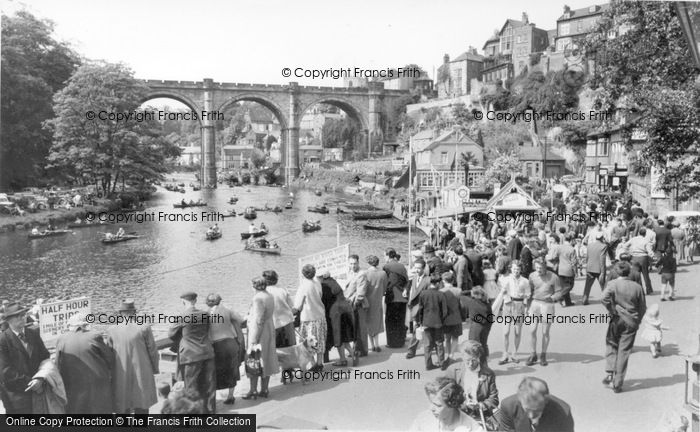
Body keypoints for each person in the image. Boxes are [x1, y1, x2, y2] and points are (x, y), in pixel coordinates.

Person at [106, 300, 159, 414]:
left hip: (121, 373)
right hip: (142, 371)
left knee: (122, 403)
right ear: (134, 312)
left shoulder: (111, 330)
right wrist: (155, 369)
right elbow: (153, 351)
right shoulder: (144, 327)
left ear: (120, 313)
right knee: (142, 403)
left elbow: (108, 355)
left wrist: (110, 374)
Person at [56, 313, 114, 413]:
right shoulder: (94, 336)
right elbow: (109, 358)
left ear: (70, 326)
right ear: (84, 325)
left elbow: (58, 364)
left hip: (72, 383)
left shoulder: (61, 339)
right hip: (96, 383)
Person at [601, 261, 646, 393]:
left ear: (616, 271)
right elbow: (642, 307)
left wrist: (612, 309)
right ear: (629, 271)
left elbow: (603, 298)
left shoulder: (612, 284)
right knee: (624, 351)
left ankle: (610, 370)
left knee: (611, 343)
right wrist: (637, 321)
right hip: (631, 321)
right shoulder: (637, 287)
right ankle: (618, 383)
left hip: (616, 319)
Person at [168, 292, 216, 413]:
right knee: (209, 384)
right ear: (195, 301)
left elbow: (171, 334)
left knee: (191, 385)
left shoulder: (182, 316)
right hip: (207, 352)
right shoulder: (205, 314)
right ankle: (210, 412)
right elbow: (207, 329)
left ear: (183, 302)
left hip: (191, 355)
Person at [0, 303, 50, 413]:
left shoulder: (33, 333)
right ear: (8, 320)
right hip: (16, 396)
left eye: (23, 314)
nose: (22, 318)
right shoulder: (3, 340)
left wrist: (40, 379)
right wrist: (32, 383)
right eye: (17, 316)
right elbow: (6, 372)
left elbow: (45, 356)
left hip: (39, 390)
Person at [445, 340, 499, 425]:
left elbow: (494, 399)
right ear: (462, 356)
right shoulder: (453, 371)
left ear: (479, 357)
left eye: (474, 360)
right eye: (467, 360)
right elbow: (446, 396)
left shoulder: (488, 374)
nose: (470, 364)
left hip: (480, 416)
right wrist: (462, 405)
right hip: (458, 415)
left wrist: (481, 406)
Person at [243, 277, 280, 400]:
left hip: (259, 332)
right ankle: (264, 389)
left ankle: (253, 390)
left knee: (254, 360)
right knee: (267, 359)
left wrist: (253, 339)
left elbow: (258, 320)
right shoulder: (269, 295)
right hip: (269, 328)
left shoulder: (258, 298)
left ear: (255, 286)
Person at [206, 293, 244, 405]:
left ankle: (212, 400)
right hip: (230, 342)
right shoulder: (228, 310)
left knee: (214, 372)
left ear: (208, 303)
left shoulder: (206, 313)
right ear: (220, 301)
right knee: (232, 370)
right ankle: (230, 396)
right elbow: (241, 320)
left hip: (216, 345)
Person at [496, 377, 574, 432]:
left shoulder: (563, 412)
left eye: (536, 410)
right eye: (527, 409)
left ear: (546, 400)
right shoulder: (508, 406)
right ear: (520, 400)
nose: (531, 416)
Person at [410, 377, 484, 432]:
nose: (431, 408)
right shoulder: (422, 420)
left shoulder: (474, 429)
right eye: (431, 403)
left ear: (453, 405)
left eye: (438, 405)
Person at [526, 259, 563, 366]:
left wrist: (552, 298)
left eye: (541, 268)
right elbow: (530, 291)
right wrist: (527, 306)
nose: (539, 270)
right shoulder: (532, 276)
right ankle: (533, 354)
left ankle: (543, 355)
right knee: (532, 331)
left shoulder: (553, 277)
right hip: (535, 304)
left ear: (545, 267)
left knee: (545, 332)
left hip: (547, 305)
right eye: (536, 268)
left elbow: (559, 292)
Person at [264, 270, 297, 381]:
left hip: (274, 324)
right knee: (289, 348)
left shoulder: (264, 293)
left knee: (277, 350)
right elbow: (292, 306)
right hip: (287, 322)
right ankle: (288, 372)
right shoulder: (283, 290)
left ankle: (280, 373)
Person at [294, 264, 327, 371]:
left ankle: (313, 363)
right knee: (320, 340)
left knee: (308, 342)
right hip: (320, 315)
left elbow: (298, 305)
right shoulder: (317, 283)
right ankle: (319, 362)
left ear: (303, 274)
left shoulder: (303, 286)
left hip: (308, 317)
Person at [319, 271, 356, 366]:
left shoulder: (324, 285)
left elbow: (324, 302)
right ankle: (351, 354)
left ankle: (344, 359)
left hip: (336, 312)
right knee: (344, 336)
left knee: (338, 336)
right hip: (345, 308)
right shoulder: (334, 281)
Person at [499, 261, 530, 365]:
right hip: (508, 304)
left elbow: (528, 294)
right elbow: (502, 292)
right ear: (510, 269)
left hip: (519, 305)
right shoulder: (506, 279)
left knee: (517, 332)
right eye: (514, 269)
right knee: (506, 332)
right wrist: (506, 298)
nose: (516, 271)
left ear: (521, 270)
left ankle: (514, 354)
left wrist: (525, 305)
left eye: (518, 269)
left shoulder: (525, 281)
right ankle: (505, 354)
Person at [417, 273, 448, 370]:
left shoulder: (423, 293)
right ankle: (442, 363)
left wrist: (420, 322)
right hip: (438, 322)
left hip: (426, 321)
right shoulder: (441, 294)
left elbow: (420, 309)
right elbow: (445, 311)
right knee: (439, 343)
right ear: (438, 283)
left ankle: (428, 364)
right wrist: (442, 321)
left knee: (427, 344)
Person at [383, 248, 409, 348]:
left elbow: (386, 282)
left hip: (392, 297)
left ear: (387, 255)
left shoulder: (386, 267)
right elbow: (406, 280)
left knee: (390, 321)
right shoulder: (402, 266)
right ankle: (400, 341)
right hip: (402, 296)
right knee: (400, 320)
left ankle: (392, 343)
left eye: (384, 255)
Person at [345, 254, 369, 357]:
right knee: (354, 328)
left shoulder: (361, 274)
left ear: (358, 263)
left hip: (358, 305)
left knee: (360, 328)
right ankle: (355, 349)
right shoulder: (350, 272)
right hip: (350, 303)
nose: (353, 265)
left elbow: (361, 292)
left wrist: (355, 302)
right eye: (351, 263)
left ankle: (362, 350)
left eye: (355, 263)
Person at [406, 258, 430, 359]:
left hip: (423, 308)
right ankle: (413, 350)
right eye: (415, 268)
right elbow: (413, 291)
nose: (417, 270)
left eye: (419, 268)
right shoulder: (415, 277)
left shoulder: (428, 280)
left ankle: (412, 350)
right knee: (417, 330)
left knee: (419, 330)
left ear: (424, 269)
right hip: (415, 308)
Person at [462, 287, 493, 360]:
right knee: (483, 344)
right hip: (486, 326)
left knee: (474, 346)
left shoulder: (472, 302)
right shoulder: (487, 302)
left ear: (475, 294)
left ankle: (475, 365)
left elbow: (473, 316)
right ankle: (484, 363)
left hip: (476, 326)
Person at [364, 255, 387, 353]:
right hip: (378, 300)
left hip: (368, 301)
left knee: (368, 322)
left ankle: (372, 345)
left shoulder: (366, 273)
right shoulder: (383, 273)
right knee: (377, 321)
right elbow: (385, 287)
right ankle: (377, 344)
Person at [622, 227, 654, 295]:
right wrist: (652, 256)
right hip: (643, 257)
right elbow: (649, 251)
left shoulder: (633, 239)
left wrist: (628, 252)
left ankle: (639, 290)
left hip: (634, 258)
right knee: (646, 274)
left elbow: (625, 245)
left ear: (639, 233)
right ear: (645, 234)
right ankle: (649, 290)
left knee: (636, 275)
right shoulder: (646, 240)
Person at [439, 272, 463, 362]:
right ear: (453, 280)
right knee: (455, 338)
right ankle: (452, 355)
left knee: (447, 338)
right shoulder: (458, 290)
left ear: (443, 280)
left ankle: (448, 355)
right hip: (456, 317)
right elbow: (462, 305)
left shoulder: (441, 291)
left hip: (445, 318)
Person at [582, 231, 608, 305]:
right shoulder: (603, 246)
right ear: (602, 238)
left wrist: (587, 267)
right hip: (599, 269)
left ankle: (584, 299)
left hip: (590, 268)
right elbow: (602, 259)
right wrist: (603, 272)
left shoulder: (589, 245)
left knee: (587, 285)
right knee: (603, 285)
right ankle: (606, 299)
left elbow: (587, 257)